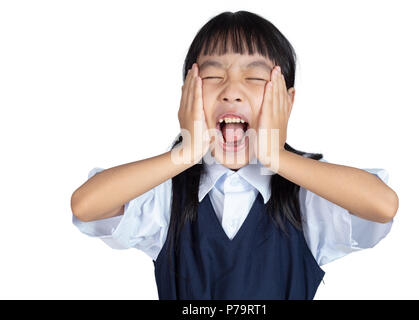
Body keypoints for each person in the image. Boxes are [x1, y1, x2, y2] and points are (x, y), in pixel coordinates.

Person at [71, 11, 399, 300]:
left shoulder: (307, 195)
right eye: (213, 76)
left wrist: (277, 157)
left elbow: (382, 206)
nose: (231, 91)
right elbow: (86, 206)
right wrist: (185, 153)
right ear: (187, 93)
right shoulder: (168, 193)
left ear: (287, 101)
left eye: (255, 77)